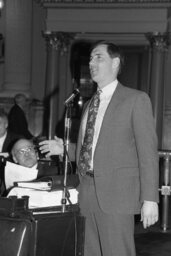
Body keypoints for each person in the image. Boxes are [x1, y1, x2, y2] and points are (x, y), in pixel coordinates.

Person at [39, 41, 159, 256]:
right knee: (88, 251)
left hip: (117, 195)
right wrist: (65, 148)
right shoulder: (89, 104)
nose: (91, 62)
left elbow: (147, 154)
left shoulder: (135, 99)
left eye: (98, 57)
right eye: (91, 58)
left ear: (115, 63)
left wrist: (150, 199)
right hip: (86, 191)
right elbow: (91, 150)